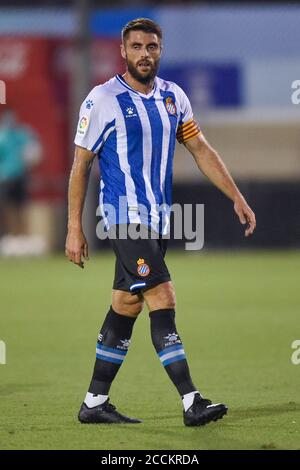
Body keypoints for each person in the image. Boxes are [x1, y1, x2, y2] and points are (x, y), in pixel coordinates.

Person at [65, 18, 256, 426]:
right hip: (123, 218)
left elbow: (199, 147)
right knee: (162, 296)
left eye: (151, 47)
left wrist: (236, 196)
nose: (144, 54)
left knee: (126, 304)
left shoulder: (173, 97)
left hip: (158, 219)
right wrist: (74, 226)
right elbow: (81, 165)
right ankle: (191, 401)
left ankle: (95, 402)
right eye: (136, 46)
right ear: (123, 51)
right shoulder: (103, 99)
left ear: (160, 50)